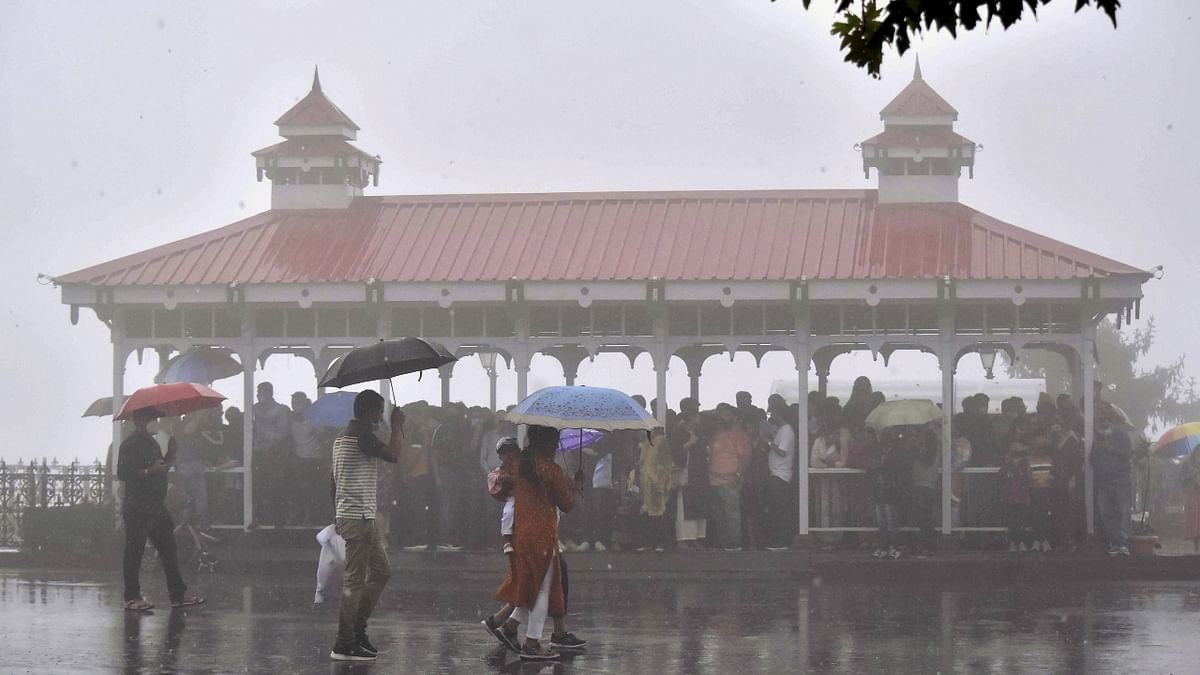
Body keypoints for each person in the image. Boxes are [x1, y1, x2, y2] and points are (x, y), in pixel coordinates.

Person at [492, 425, 581, 660]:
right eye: (555, 443)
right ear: (548, 444)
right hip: (542, 535)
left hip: (522, 532)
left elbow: (500, 486)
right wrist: (576, 486)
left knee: (532, 585)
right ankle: (532, 643)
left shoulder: (518, 464)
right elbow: (568, 505)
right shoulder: (550, 470)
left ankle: (510, 627)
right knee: (542, 590)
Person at [329, 390, 405, 662]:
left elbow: (333, 481)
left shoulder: (341, 438)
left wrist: (338, 514)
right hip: (357, 517)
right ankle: (344, 641)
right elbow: (394, 455)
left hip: (359, 516)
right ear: (367, 411)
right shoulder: (360, 435)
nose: (379, 418)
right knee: (355, 580)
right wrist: (397, 425)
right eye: (378, 412)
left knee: (382, 572)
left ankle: (356, 629)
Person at [117, 407, 205, 612]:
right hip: (137, 506)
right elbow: (123, 473)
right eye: (152, 419)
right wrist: (149, 471)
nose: (156, 423)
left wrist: (170, 455)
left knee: (168, 550)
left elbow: (160, 468)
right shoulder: (129, 445)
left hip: (156, 505)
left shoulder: (152, 443)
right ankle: (131, 597)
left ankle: (178, 594)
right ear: (140, 422)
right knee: (135, 551)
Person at [708, 404, 752, 551]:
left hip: (730, 480)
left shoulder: (740, 435)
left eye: (726, 415)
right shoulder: (716, 434)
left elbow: (745, 457)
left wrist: (739, 475)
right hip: (713, 480)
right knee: (718, 514)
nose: (722, 418)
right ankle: (723, 543)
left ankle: (734, 544)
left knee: (731, 513)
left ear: (733, 417)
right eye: (720, 414)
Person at [1092, 411, 1133, 557]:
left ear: (1111, 421)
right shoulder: (1096, 440)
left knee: (1123, 512)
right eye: (1100, 421)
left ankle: (1124, 543)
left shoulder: (1121, 436)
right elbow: (1093, 460)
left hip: (1121, 481)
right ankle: (1114, 543)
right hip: (1103, 483)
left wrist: (1110, 449)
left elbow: (1128, 455)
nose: (1103, 424)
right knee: (1106, 514)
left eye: (1105, 420)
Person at [251, 382, 292, 529]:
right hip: (259, 455)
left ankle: (278, 522)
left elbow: (283, 433)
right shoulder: (255, 409)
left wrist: (269, 442)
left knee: (276, 489)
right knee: (259, 488)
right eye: (258, 392)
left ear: (269, 393)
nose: (258, 395)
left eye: (261, 392)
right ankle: (260, 518)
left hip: (275, 456)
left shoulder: (281, 410)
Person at [764, 397, 797, 551]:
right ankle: (778, 540)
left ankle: (781, 541)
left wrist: (769, 442)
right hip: (777, 474)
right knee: (777, 510)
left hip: (781, 475)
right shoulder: (783, 430)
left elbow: (782, 451)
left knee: (779, 511)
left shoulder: (786, 430)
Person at [290, 392, 324, 526]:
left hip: (314, 459)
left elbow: (322, 435)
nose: (295, 405)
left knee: (311, 490)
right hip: (299, 459)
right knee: (300, 489)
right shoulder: (291, 418)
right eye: (293, 402)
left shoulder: (313, 418)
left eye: (298, 402)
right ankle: (302, 515)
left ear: (305, 403)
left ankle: (311, 517)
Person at [1181, 447, 1200, 554]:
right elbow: (1182, 478)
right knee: (1194, 517)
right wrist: (1192, 475)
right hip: (1191, 493)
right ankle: (1195, 542)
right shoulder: (1187, 464)